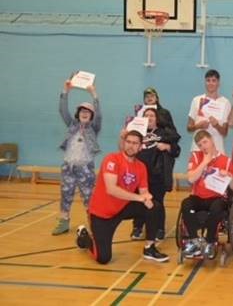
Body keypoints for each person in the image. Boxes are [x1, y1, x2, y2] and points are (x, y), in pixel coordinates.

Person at [75, 131, 169, 264]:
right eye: (128, 142)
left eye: (135, 143)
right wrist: (139, 198)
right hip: (102, 214)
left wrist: (147, 198)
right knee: (103, 258)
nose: (131, 146)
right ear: (124, 143)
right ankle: (84, 237)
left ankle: (149, 248)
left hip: (122, 208)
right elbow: (111, 189)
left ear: (140, 146)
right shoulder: (112, 160)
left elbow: (144, 192)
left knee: (154, 206)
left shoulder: (141, 167)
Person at [52, 77, 101, 235]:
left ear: (91, 116)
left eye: (88, 112)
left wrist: (94, 94)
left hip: (85, 168)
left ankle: (93, 221)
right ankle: (64, 221)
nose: (85, 113)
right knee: (66, 193)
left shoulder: (94, 128)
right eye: (82, 111)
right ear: (78, 114)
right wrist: (65, 90)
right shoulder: (72, 125)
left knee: (89, 196)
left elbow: (99, 115)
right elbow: (62, 110)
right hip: (68, 166)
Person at [180, 130, 233, 259]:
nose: (203, 147)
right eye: (200, 145)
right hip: (198, 197)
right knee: (186, 204)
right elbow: (190, 179)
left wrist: (229, 176)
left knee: (217, 207)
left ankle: (209, 241)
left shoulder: (226, 161)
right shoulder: (196, 157)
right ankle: (194, 241)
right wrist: (205, 162)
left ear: (212, 140)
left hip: (217, 198)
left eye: (205, 142)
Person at [130, 108, 181, 241]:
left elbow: (176, 150)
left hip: (157, 174)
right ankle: (138, 227)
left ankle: (159, 228)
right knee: (139, 201)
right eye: (146, 115)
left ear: (157, 118)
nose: (149, 118)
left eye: (152, 115)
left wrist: (167, 147)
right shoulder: (138, 134)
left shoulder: (165, 133)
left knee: (157, 202)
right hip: (139, 174)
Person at [187, 69, 231, 154]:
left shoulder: (225, 102)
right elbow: (189, 128)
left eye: (214, 81)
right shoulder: (196, 100)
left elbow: (225, 132)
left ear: (218, 83)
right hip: (198, 149)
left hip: (217, 149)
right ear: (205, 82)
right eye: (208, 80)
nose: (210, 83)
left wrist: (217, 125)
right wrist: (198, 126)